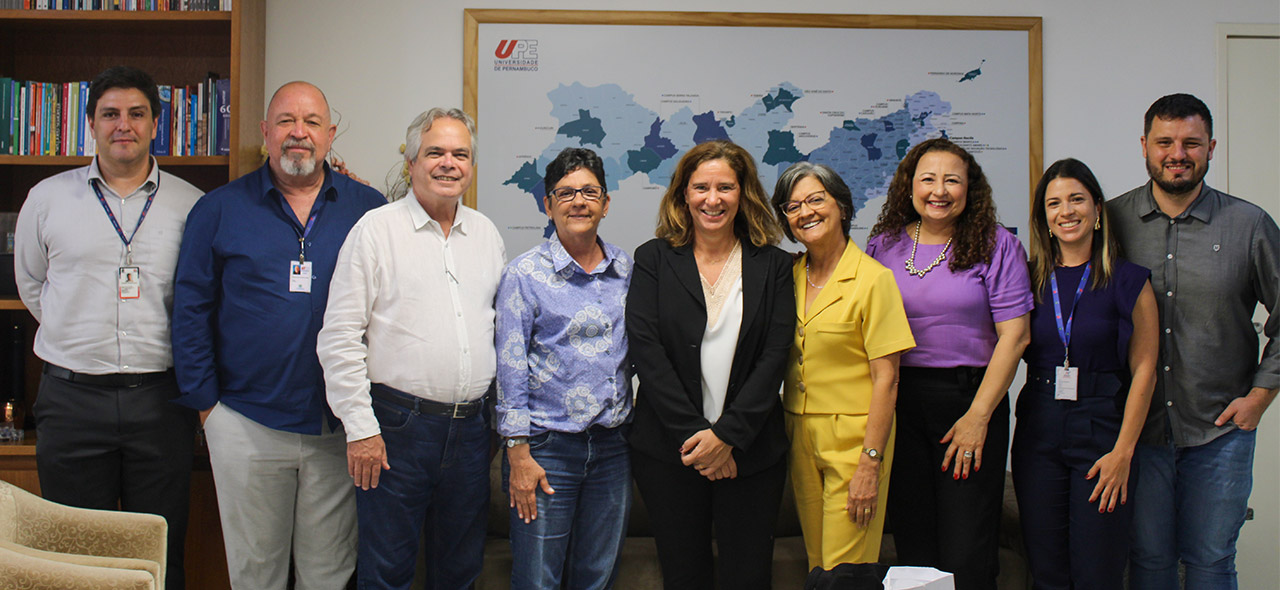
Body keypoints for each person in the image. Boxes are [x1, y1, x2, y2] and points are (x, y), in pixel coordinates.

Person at [171, 81, 385, 590]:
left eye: (311, 122)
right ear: (265, 132)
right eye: (286, 121)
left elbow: (391, 308)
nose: (299, 133)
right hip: (245, 422)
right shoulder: (219, 209)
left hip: (337, 431)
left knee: (329, 574)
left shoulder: (370, 210)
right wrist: (208, 408)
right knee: (256, 573)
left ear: (330, 135)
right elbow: (190, 307)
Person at [14, 65, 203, 590]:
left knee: (158, 548)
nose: (124, 125)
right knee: (75, 553)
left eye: (137, 114)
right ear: (91, 124)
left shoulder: (191, 205)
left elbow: (200, 299)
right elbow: (32, 283)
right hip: (72, 400)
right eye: (111, 114)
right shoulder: (47, 198)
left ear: (155, 124)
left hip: (160, 401)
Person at [317, 107, 505, 590]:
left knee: (460, 571)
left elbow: (500, 333)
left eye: (460, 154)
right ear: (411, 164)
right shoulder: (376, 231)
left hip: (470, 433)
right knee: (387, 573)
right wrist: (360, 429)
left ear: (471, 164)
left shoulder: (485, 234)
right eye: (435, 152)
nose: (449, 163)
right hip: (396, 430)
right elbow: (339, 336)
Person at [1109, 93, 1279, 590]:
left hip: (1219, 430)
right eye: (1164, 142)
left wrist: (1260, 398)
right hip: (1136, 433)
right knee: (1147, 561)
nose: (1177, 153)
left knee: (1209, 561)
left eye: (1191, 143)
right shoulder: (1111, 223)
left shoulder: (1249, 226)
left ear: (1211, 148)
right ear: (1144, 146)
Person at [625, 139, 795, 590]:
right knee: (683, 576)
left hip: (751, 453)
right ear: (683, 193)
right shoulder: (654, 260)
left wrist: (728, 437)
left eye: (726, 187)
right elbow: (647, 352)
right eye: (701, 187)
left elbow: (775, 356)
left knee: (748, 576)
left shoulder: (775, 266)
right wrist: (699, 440)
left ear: (744, 193)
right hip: (670, 452)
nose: (713, 199)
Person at [866, 137, 1033, 590]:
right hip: (901, 403)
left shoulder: (998, 245)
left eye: (952, 180)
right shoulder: (882, 246)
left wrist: (978, 417)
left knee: (967, 550)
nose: (939, 190)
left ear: (969, 189)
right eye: (928, 179)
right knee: (915, 548)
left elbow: (1015, 336)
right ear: (909, 186)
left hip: (970, 401)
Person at [1013, 158, 1158, 589]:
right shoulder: (1027, 279)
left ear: (1097, 209)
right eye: (1053, 203)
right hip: (1039, 429)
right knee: (1046, 569)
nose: (1066, 211)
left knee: (1099, 570)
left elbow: (1145, 368)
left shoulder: (1128, 279)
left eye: (1077, 199)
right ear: (1043, 217)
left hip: (1102, 430)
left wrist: (1123, 453)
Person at [494, 147, 633, 589]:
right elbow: (510, 369)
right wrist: (517, 454)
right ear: (547, 204)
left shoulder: (627, 269)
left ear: (606, 203)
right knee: (538, 579)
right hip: (546, 449)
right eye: (566, 192)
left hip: (612, 448)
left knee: (596, 577)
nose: (579, 202)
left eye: (590, 192)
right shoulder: (524, 275)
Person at [770, 162, 915, 569]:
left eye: (817, 199)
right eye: (793, 205)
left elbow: (887, 377)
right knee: (818, 565)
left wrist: (871, 460)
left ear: (843, 207)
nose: (805, 212)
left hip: (855, 439)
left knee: (845, 571)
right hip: (798, 432)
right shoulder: (789, 275)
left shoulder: (874, 279)